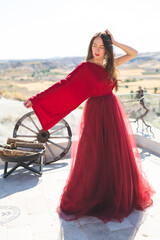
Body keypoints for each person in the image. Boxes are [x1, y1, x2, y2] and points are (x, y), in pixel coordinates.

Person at [24, 29, 155, 223]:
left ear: (106, 49)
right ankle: (96, 196)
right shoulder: (85, 67)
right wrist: (36, 100)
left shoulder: (108, 65)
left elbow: (133, 53)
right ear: (90, 47)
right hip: (95, 113)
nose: (97, 49)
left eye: (101, 47)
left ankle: (114, 193)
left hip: (113, 111)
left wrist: (115, 42)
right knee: (94, 154)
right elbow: (64, 85)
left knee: (114, 153)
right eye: (94, 45)